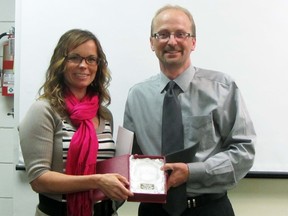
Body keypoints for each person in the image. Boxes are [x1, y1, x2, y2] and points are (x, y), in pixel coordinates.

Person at [123, 5, 256, 216]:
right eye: (163, 34)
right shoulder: (136, 96)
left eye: (180, 34)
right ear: (152, 42)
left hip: (208, 208)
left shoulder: (222, 87)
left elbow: (244, 151)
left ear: (193, 42)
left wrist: (190, 172)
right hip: (154, 210)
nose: (172, 41)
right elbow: (131, 157)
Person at [19, 29, 133, 216]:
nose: (83, 65)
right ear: (60, 63)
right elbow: (38, 179)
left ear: (98, 65)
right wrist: (96, 181)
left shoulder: (104, 114)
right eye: (74, 58)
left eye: (91, 59)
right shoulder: (44, 111)